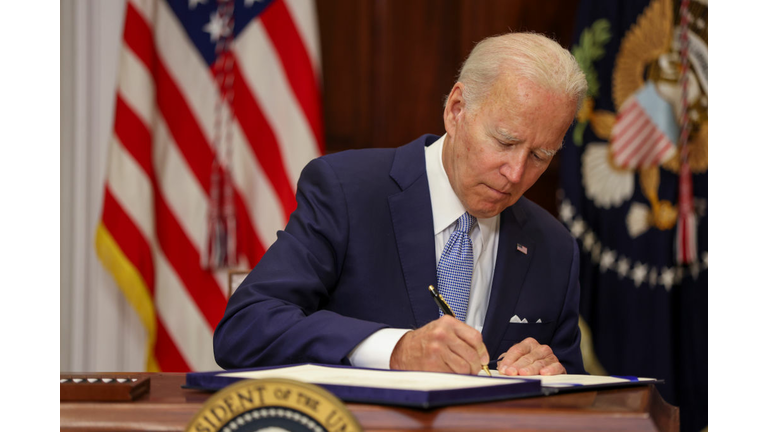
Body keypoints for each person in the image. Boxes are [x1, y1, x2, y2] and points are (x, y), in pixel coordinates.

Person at [214, 32, 588, 376]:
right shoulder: (347, 192)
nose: (516, 172)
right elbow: (245, 329)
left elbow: (578, 400)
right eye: (505, 142)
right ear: (457, 109)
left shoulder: (554, 247)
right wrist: (394, 349)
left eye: (540, 155)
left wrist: (551, 374)